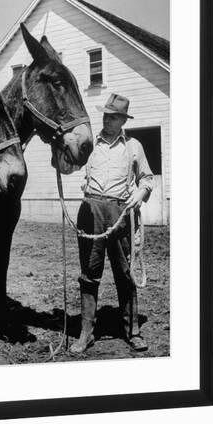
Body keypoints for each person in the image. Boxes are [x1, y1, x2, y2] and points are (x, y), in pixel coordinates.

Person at [70, 93, 153, 354]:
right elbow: (67, 162)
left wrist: (139, 196)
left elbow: (147, 179)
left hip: (120, 212)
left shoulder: (133, 146)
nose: (106, 119)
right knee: (89, 274)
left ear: (122, 120)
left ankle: (133, 332)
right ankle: (86, 333)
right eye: (105, 114)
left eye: (112, 116)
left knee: (124, 273)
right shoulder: (90, 144)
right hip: (91, 210)